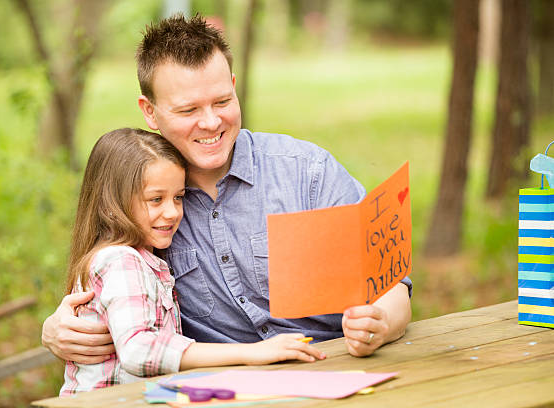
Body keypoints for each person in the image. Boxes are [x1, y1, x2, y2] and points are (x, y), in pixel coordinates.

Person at [42, 14, 412, 364]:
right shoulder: (145, 202)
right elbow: (107, 282)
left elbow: (392, 284)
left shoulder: (307, 173)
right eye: (188, 111)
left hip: (332, 365)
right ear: (149, 112)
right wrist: (56, 328)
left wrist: (381, 322)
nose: (210, 122)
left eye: (222, 101)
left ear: (234, 88)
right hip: (220, 387)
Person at [60, 128, 325, 395]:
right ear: (110, 205)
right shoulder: (121, 261)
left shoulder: (142, 259)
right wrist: (252, 353)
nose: (172, 212)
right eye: (155, 199)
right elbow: (139, 350)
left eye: (178, 197)